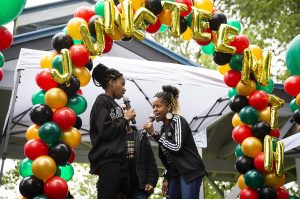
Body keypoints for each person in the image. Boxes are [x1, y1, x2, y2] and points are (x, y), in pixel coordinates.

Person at [143, 85, 206, 199]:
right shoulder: (163, 129)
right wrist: (167, 177)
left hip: (189, 171)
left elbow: (176, 147)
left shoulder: (177, 120)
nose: (154, 109)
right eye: (153, 107)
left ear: (168, 107)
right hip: (175, 174)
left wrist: (155, 134)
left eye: (158, 106)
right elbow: (169, 158)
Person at [89, 63, 136, 199]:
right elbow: (105, 130)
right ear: (111, 83)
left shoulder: (114, 105)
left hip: (118, 161)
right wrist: (125, 119)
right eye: (122, 84)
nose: (124, 88)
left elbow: (114, 129)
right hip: (108, 160)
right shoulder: (102, 101)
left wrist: (125, 122)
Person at [125, 123, 159, 199]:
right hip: (121, 190)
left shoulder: (141, 136)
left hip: (140, 189)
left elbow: (151, 162)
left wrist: (151, 182)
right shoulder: (115, 137)